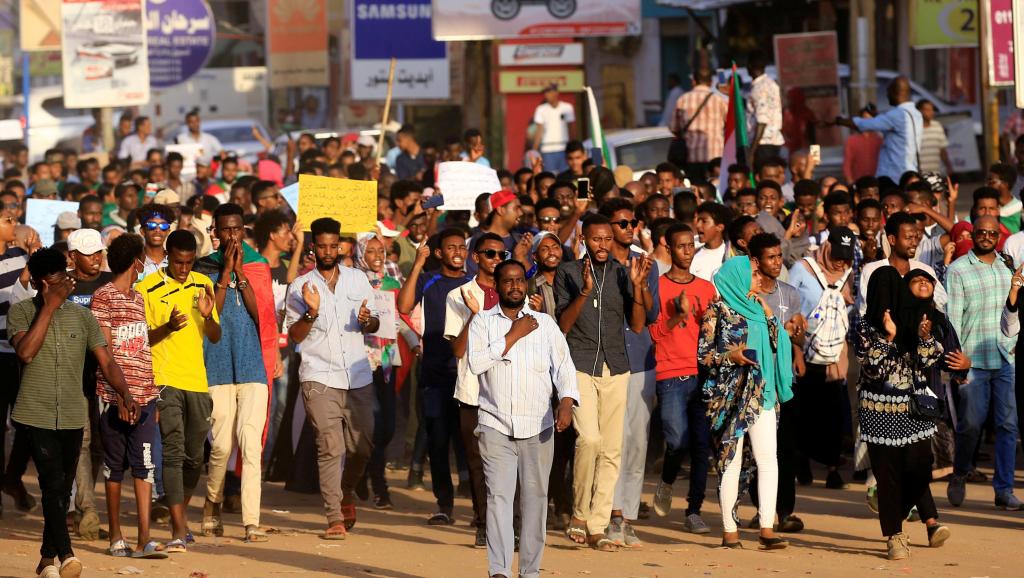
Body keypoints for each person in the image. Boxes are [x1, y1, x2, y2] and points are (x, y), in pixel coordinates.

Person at [9, 247, 140, 577]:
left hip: (72, 411)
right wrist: (50, 307)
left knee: (61, 486)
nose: (65, 286)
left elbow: (106, 360)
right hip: (34, 412)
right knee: (52, 482)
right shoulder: (22, 312)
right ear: (41, 283)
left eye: (65, 279)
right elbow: (25, 353)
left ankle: (46, 559)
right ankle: (66, 554)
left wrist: (125, 392)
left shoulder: (83, 317)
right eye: (56, 282)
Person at [467, 259, 579, 578]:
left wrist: (567, 402)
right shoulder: (483, 323)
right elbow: (475, 363)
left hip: (538, 426)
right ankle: (499, 570)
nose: (515, 286)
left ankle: (530, 571)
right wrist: (512, 336)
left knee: (535, 501)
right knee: (499, 497)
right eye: (508, 281)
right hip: (495, 424)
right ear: (497, 286)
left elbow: (564, 367)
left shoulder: (545, 324)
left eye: (519, 281)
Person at [555, 214, 648, 552]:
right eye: (596, 239)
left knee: (612, 450)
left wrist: (638, 288)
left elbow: (638, 325)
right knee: (590, 440)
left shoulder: (624, 273)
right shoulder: (568, 273)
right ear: (584, 240)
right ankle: (579, 514)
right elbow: (563, 324)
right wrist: (584, 292)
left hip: (617, 367)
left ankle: (597, 525)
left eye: (608, 239)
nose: (603, 245)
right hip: (580, 364)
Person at [286, 217, 380, 539]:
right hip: (319, 376)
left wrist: (368, 321)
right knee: (330, 446)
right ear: (313, 248)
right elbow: (295, 335)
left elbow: (376, 323)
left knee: (362, 447)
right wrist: (311, 312)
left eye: (333, 245)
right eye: (321, 246)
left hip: (357, 375)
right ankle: (334, 516)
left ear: (340, 245)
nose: (328, 251)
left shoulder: (358, 280)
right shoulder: (300, 287)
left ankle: (347, 489)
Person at [855, 266, 951, 560]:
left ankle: (893, 510)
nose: (887, 296)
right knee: (888, 475)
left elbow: (929, 359)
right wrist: (887, 336)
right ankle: (894, 535)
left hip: (913, 411)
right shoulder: (863, 326)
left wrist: (922, 337)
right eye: (880, 289)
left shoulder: (917, 318)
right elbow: (871, 370)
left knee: (921, 467)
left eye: (891, 288)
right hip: (877, 411)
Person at [195, 204, 275, 544]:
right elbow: (213, 314)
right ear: (215, 231)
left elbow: (261, 316)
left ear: (244, 231)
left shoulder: (257, 267)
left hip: (251, 364)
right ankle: (212, 502)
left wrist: (241, 273)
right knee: (222, 446)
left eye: (236, 229)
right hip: (216, 366)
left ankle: (251, 522)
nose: (231, 235)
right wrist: (226, 272)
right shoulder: (203, 269)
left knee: (250, 443)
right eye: (225, 230)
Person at [137, 230, 220, 553]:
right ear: (168, 256)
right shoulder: (148, 287)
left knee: (195, 457)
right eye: (179, 262)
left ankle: (179, 516)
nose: (184, 269)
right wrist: (169, 327)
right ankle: (177, 527)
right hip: (165, 379)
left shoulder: (203, 284)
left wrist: (205, 314)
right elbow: (142, 339)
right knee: (172, 452)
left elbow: (213, 335)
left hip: (198, 381)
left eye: (189, 263)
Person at [700, 255, 791, 549]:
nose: (759, 278)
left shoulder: (757, 308)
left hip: (762, 394)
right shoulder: (717, 310)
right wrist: (731, 357)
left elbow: (778, 341)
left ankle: (767, 529)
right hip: (730, 398)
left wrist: (767, 312)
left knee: (768, 461)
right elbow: (704, 357)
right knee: (731, 462)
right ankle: (729, 532)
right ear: (737, 277)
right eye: (753, 274)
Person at [92, 234, 168, 560]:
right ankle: (115, 537)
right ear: (135, 261)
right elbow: (105, 354)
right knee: (114, 468)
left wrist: (148, 394)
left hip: (145, 397)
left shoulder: (137, 298)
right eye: (141, 260)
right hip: (114, 397)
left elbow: (140, 347)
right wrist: (123, 396)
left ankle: (144, 541)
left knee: (145, 465)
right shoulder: (102, 298)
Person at [945, 216, 1022, 510]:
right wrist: (957, 362)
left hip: (1005, 358)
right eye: (982, 232)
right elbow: (951, 321)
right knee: (971, 426)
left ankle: (1003, 489)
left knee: (1008, 426)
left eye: (993, 232)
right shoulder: (958, 270)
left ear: (998, 236)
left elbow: (1015, 309)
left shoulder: (1006, 267)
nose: (987, 236)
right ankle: (961, 472)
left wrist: (1014, 343)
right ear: (973, 234)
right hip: (972, 362)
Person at [396, 228, 472, 524]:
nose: (458, 251)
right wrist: (417, 264)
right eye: (451, 247)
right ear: (439, 253)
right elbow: (403, 307)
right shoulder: (429, 280)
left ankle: (476, 503)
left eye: (462, 247)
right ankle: (444, 504)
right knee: (438, 441)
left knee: (469, 440)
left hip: (469, 375)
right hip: (436, 373)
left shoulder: (474, 282)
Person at [648, 223, 716, 533]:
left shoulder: (705, 288)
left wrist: (708, 322)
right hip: (670, 374)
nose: (687, 251)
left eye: (691, 245)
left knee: (702, 446)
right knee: (676, 440)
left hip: (702, 373)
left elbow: (714, 333)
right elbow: (654, 333)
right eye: (681, 246)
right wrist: (678, 315)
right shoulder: (658, 287)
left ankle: (693, 510)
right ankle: (666, 480)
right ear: (669, 248)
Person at [444, 232, 506, 546]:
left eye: (501, 255)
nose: (497, 260)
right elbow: (457, 349)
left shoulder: (514, 291)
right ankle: (483, 523)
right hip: (472, 390)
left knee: (510, 463)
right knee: (477, 463)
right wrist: (474, 314)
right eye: (491, 254)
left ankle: (509, 524)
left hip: (509, 391)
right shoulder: (459, 295)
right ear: (476, 257)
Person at [787, 228, 855, 489]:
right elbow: (790, 306)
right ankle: (802, 462)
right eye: (837, 255)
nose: (840, 261)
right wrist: (795, 349)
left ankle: (832, 468)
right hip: (804, 351)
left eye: (845, 256)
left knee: (834, 413)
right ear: (827, 248)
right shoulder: (802, 270)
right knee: (805, 411)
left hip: (835, 354)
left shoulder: (847, 272)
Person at [66, 228, 113, 539]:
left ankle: (85, 504)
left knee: (100, 445)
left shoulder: (108, 284)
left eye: (98, 251)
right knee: (82, 443)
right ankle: (88, 510)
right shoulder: (61, 286)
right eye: (88, 252)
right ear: (72, 257)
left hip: (106, 375)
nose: (95, 258)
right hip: (72, 376)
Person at [354, 235, 403, 510]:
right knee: (370, 424)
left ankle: (362, 472)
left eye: (380, 250)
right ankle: (379, 485)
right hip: (362, 361)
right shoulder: (354, 283)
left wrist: (415, 343)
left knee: (387, 426)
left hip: (387, 361)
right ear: (361, 253)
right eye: (370, 250)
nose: (376, 254)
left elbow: (403, 318)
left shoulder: (393, 284)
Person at [0, 209, 35, 518]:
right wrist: (22, 282)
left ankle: (12, 479)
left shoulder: (20, 257)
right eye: (8, 220)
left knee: (26, 424)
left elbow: (30, 299)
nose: (15, 224)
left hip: (20, 353)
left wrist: (35, 263)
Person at [836, 77, 922, 183]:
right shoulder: (916, 113)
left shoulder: (897, 115)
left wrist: (838, 121)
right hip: (910, 171)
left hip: (894, 175)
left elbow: (863, 124)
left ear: (894, 92)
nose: (886, 96)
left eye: (888, 92)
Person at [670, 68, 728, 181]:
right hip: (715, 156)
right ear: (711, 82)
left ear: (693, 81)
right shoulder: (720, 100)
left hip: (691, 157)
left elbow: (674, 128)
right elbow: (730, 125)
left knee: (696, 189)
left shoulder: (682, 100)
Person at [747, 50, 786, 169]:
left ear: (749, 67)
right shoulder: (771, 84)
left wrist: (752, 152)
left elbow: (762, 120)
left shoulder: (759, 88)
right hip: (773, 141)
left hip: (762, 144)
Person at [532, 84, 576, 175]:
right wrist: (534, 150)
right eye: (545, 93)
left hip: (564, 148)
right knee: (550, 176)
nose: (546, 95)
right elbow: (539, 131)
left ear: (556, 93)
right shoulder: (541, 109)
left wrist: (573, 147)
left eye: (548, 92)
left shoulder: (567, 108)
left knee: (565, 175)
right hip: (547, 149)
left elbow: (571, 128)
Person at [692, 202, 734, 281]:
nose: (698, 225)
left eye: (704, 221)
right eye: (698, 220)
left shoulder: (732, 255)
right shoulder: (692, 255)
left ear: (719, 227)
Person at [917, 100, 953, 176]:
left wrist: (948, 166)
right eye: (928, 110)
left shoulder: (937, 126)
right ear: (919, 111)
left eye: (932, 109)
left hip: (936, 173)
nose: (931, 112)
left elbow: (942, 149)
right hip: (919, 174)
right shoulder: (914, 129)